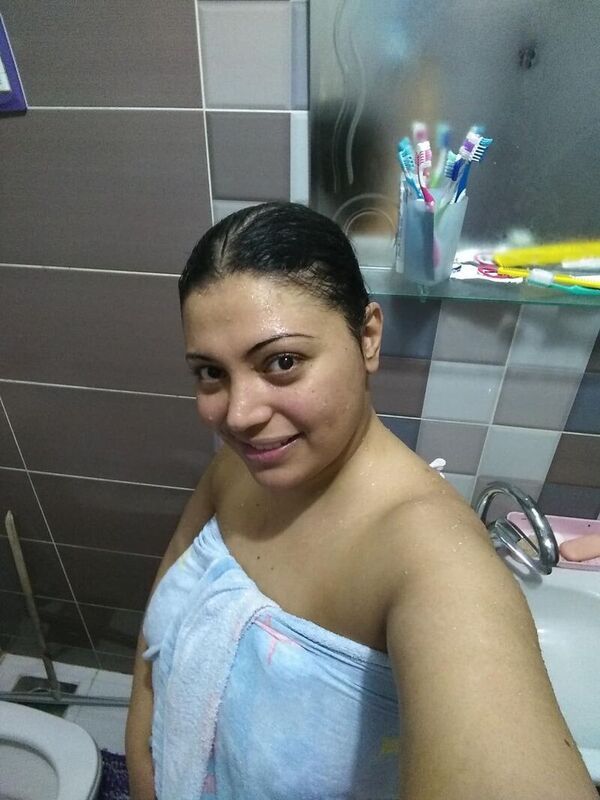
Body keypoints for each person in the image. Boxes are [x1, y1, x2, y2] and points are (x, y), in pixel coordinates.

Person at [125, 202, 597, 800]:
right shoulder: (237, 470)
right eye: (210, 373)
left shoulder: (433, 559)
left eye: (283, 362)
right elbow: (155, 648)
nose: (238, 416)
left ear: (368, 337)